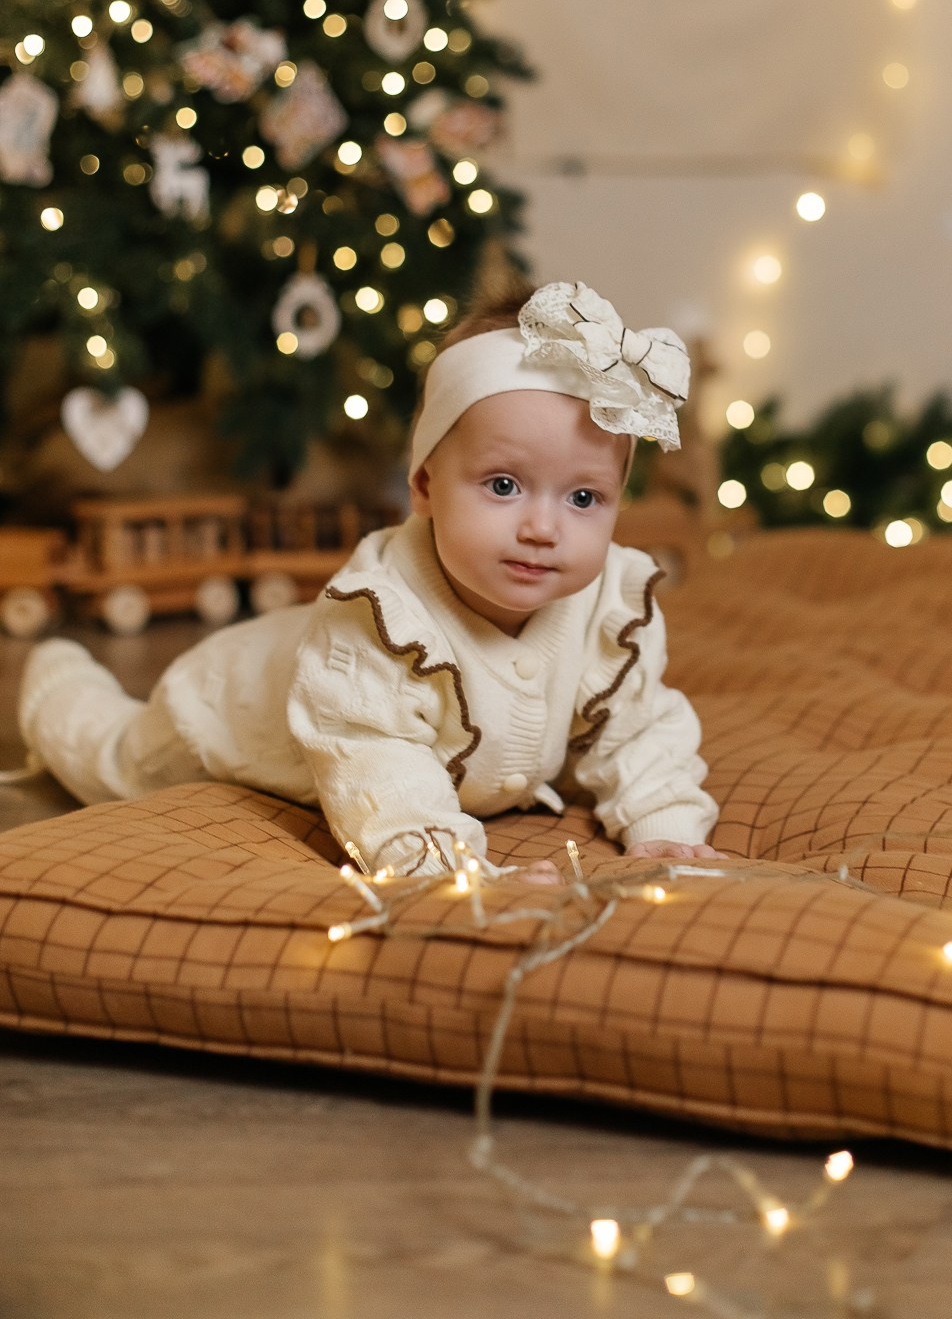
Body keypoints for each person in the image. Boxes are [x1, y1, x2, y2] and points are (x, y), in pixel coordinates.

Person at [17, 280, 722, 884]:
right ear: (424, 485)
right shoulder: (380, 621)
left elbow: (639, 730)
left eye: (583, 499)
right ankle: (54, 681)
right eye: (504, 485)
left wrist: (664, 823)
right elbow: (379, 768)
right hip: (224, 708)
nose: (544, 527)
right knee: (111, 754)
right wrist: (446, 870)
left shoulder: (610, 611)